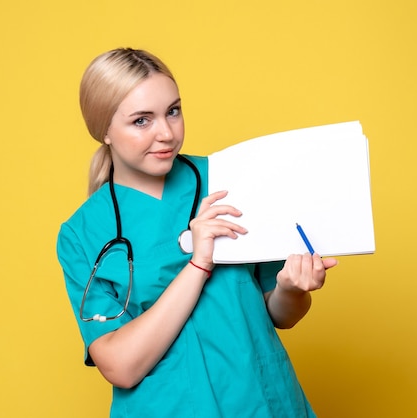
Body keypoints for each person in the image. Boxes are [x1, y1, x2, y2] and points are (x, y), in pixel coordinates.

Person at [57, 47, 338, 417]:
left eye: (173, 111)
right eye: (142, 121)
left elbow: (281, 314)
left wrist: (292, 288)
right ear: (103, 129)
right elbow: (120, 367)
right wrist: (198, 265)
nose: (166, 133)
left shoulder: (230, 179)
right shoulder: (82, 234)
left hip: (260, 402)